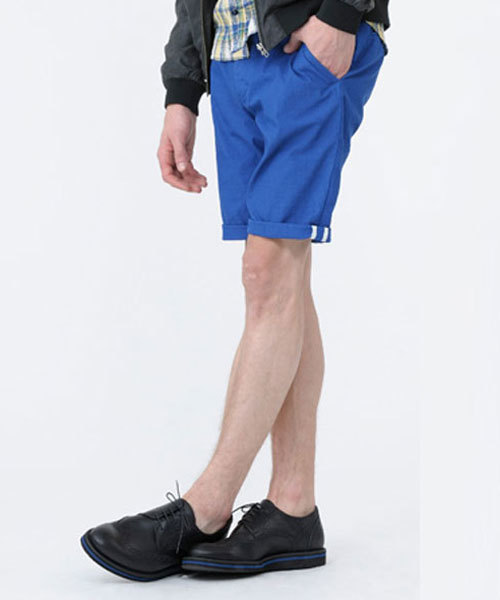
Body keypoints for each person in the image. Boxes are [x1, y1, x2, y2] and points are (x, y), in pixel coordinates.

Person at [80, 0, 390, 581]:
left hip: (307, 42)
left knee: (267, 271)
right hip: (228, 52)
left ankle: (207, 504)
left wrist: (341, 13)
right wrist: (181, 90)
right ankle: (293, 509)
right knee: (281, 275)